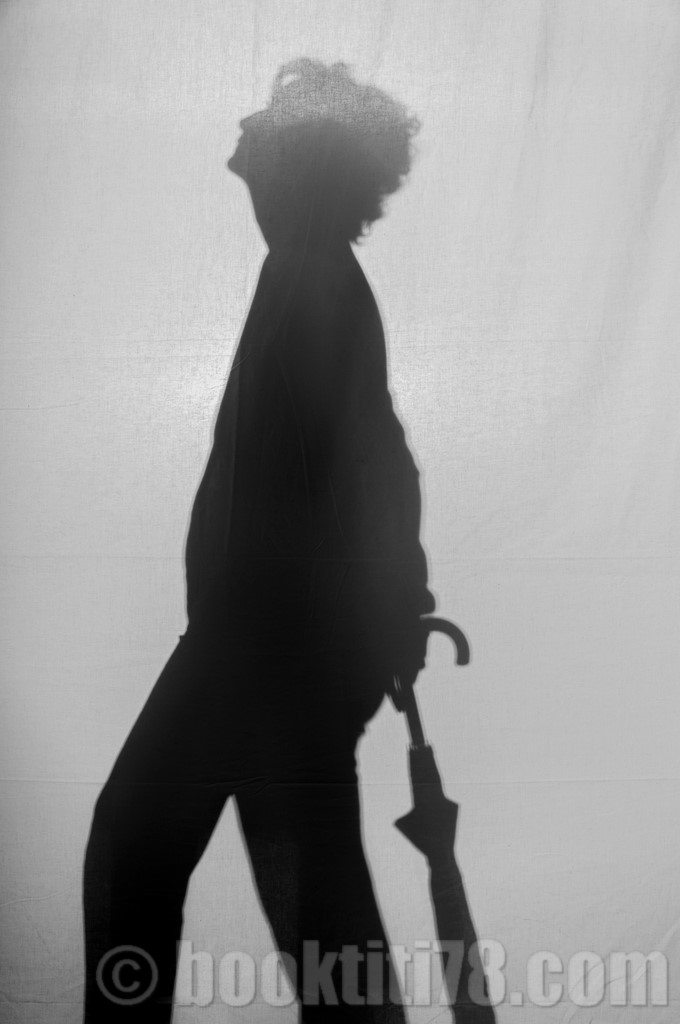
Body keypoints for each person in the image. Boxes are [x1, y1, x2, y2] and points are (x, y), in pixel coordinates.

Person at [83, 59, 435, 1022]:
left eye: (263, 137)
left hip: (265, 651)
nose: (239, 148)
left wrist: (392, 605)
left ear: (299, 166)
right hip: (274, 651)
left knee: (141, 847)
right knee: (319, 920)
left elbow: (376, 455)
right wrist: (394, 608)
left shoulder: (313, 280)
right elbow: (381, 451)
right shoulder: (308, 275)